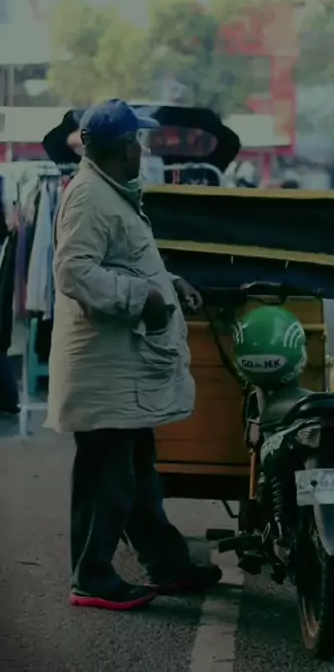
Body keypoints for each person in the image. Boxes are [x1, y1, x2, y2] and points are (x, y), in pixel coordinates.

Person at [46, 99, 221, 611]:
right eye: (138, 141)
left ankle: (167, 564)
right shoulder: (90, 197)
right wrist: (142, 297)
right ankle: (92, 577)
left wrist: (169, 282)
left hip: (122, 366)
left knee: (138, 472)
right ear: (126, 147)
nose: (142, 150)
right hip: (105, 369)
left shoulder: (110, 192)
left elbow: (125, 260)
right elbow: (75, 272)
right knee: (110, 477)